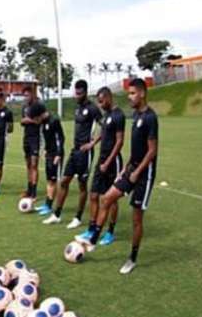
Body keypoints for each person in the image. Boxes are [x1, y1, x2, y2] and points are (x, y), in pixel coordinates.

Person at [77, 78, 158, 275]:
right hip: (131, 169)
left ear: (142, 94)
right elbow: (137, 149)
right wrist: (126, 169)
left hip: (144, 175)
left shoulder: (150, 117)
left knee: (136, 219)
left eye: (132, 93)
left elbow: (152, 150)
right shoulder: (136, 115)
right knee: (106, 198)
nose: (129, 97)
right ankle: (94, 239)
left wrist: (137, 172)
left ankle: (132, 258)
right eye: (128, 93)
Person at [43, 80, 101, 228]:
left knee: (82, 185)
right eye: (76, 93)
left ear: (86, 92)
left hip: (85, 153)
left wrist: (93, 143)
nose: (77, 95)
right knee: (64, 182)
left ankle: (78, 217)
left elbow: (105, 126)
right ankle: (56, 214)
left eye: (79, 93)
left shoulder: (93, 109)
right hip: (74, 151)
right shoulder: (77, 108)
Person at [77, 87, 125, 245]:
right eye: (98, 102)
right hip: (101, 160)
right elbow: (104, 132)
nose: (100, 104)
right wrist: (93, 143)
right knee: (93, 195)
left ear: (109, 98)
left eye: (102, 101)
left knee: (111, 199)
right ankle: (91, 228)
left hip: (112, 162)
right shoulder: (107, 115)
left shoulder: (118, 115)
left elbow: (120, 141)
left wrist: (108, 162)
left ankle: (110, 232)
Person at [20, 86, 47, 203]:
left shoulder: (39, 105)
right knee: (28, 165)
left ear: (32, 94)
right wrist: (31, 120)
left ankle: (34, 193)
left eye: (28, 95)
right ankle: (29, 189)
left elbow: (45, 116)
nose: (26, 97)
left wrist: (32, 120)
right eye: (24, 95)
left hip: (36, 138)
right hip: (26, 138)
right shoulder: (24, 107)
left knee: (34, 165)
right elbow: (22, 121)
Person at [35, 112, 65, 216]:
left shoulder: (54, 121)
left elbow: (60, 138)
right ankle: (47, 204)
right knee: (49, 180)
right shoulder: (43, 123)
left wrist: (59, 154)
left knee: (54, 180)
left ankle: (51, 205)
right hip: (49, 154)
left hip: (56, 154)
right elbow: (46, 139)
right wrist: (45, 150)